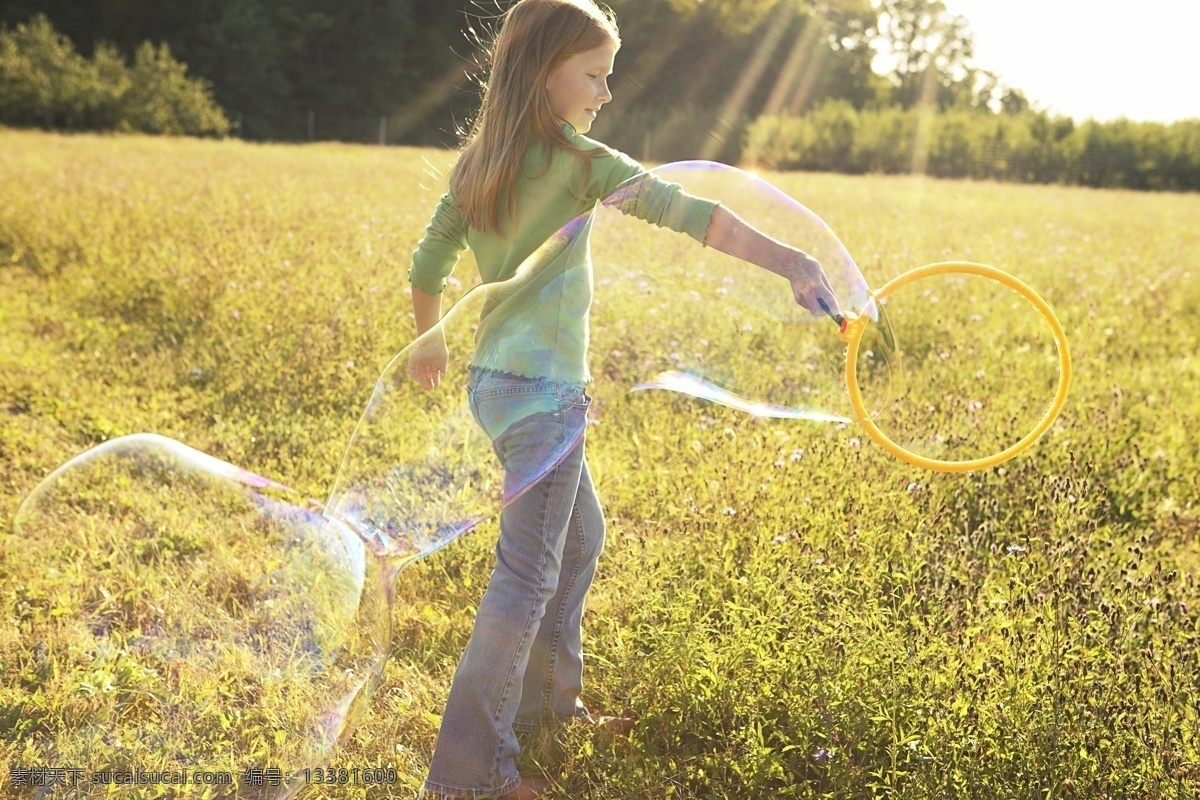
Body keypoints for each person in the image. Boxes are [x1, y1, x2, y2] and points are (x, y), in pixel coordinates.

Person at [406, 1, 841, 797]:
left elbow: (427, 261)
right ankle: (472, 770)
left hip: (495, 386)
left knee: (579, 542)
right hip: (545, 398)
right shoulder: (582, 161)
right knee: (528, 573)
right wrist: (790, 260)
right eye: (594, 75)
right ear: (545, 72)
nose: (605, 93)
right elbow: (693, 217)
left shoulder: (480, 162)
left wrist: (430, 335)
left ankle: (550, 709)